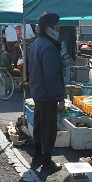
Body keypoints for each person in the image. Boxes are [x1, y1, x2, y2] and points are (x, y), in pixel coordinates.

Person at [28, 12, 65, 172]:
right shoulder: (49, 47)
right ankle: (47, 161)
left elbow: (32, 69)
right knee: (49, 127)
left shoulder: (37, 43)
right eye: (56, 27)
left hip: (37, 92)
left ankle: (37, 155)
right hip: (47, 94)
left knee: (39, 124)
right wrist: (60, 97)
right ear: (47, 29)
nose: (58, 30)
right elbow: (51, 76)